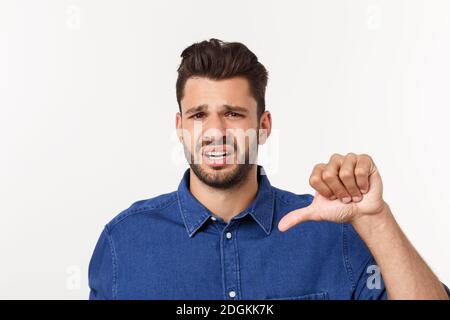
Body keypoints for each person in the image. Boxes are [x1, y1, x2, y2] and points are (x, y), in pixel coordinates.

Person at [88, 38, 449, 300]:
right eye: (200, 115)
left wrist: (376, 219)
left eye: (233, 114)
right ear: (181, 126)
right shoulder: (124, 242)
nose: (215, 131)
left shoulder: (333, 234)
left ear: (264, 125)